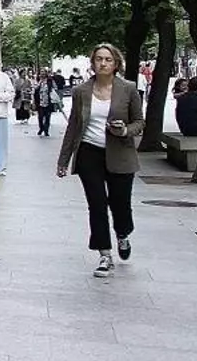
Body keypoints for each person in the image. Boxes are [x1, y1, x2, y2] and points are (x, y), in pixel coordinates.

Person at [56, 44, 144, 278]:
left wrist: (124, 130)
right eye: (98, 59)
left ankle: (123, 234)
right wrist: (63, 160)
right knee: (96, 204)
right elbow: (74, 125)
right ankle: (104, 254)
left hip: (120, 153)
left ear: (116, 64)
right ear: (92, 63)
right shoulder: (81, 91)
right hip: (89, 152)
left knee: (120, 204)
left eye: (108, 59)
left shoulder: (128, 89)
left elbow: (139, 122)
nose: (103, 63)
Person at [35, 69, 59, 137]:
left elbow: (55, 87)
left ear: (46, 73)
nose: (42, 74)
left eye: (43, 72)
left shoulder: (50, 81)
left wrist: (52, 90)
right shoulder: (38, 80)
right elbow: (35, 89)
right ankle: (41, 128)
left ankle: (46, 130)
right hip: (40, 101)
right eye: (41, 72)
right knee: (40, 117)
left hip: (48, 101)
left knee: (47, 117)